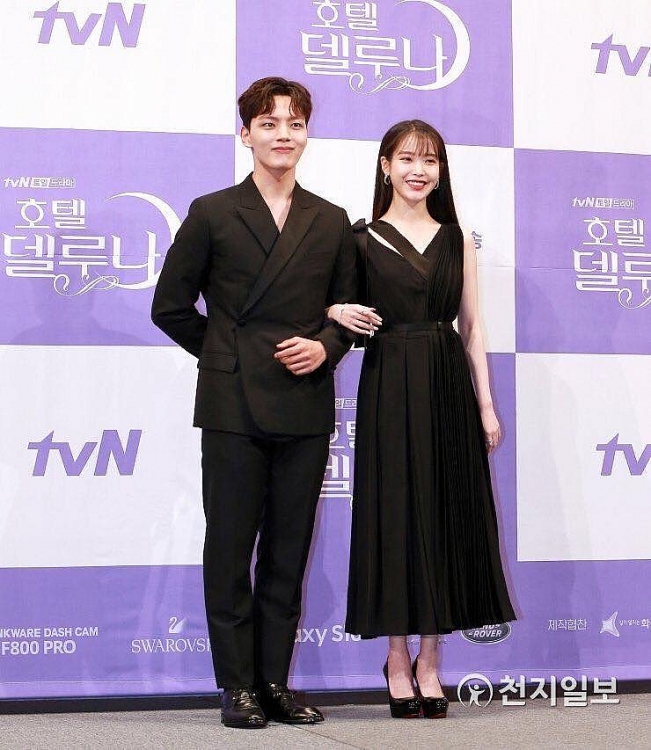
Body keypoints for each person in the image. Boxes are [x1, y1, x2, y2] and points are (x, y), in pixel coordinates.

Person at [151, 77, 356, 729]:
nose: (282, 135)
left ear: (307, 134)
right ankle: (236, 685)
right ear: (245, 134)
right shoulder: (213, 212)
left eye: (294, 123)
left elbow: (347, 313)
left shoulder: (330, 219)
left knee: (288, 551)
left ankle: (273, 682)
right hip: (232, 405)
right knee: (231, 546)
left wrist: (326, 347)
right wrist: (227, 355)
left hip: (304, 403)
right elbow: (169, 307)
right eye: (268, 123)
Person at [329, 120, 515, 719]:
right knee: (393, 514)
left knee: (444, 513)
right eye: (407, 158)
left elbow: (472, 327)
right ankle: (396, 656)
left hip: (447, 383)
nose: (419, 170)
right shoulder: (359, 240)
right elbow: (332, 309)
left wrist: (485, 404)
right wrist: (335, 308)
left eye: (430, 160)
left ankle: (431, 660)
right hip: (387, 381)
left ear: (441, 171)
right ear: (385, 166)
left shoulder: (457, 239)